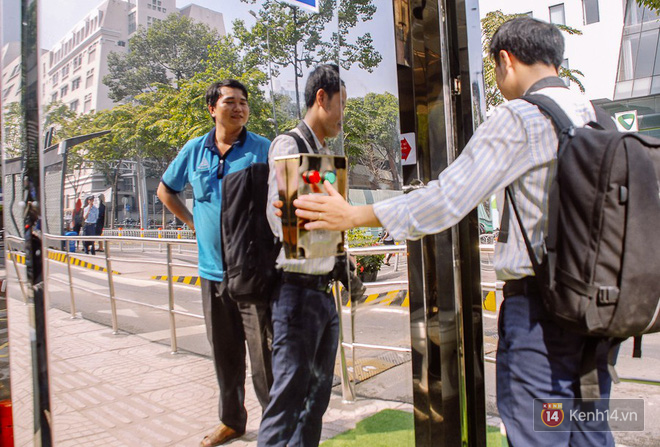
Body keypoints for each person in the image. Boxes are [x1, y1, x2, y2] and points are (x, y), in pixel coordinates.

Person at [292, 18, 616, 447]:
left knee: (542, 433)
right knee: (590, 429)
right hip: (601, 312)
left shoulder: (518, 118)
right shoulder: (601, 117)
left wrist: (354, 215)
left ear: (505, 61)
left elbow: (446, 199)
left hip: (543, 314)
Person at [157, 79, 273, 447]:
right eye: (230, 102)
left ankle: (276, 428)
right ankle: (232, 422)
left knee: (264, 358)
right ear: (212, 108)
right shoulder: (194, 150)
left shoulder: (263, 149)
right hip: (211, 272)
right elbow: (166, 190)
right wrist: (193, 222)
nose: (238, 108)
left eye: (243, 102)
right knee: (225, 354)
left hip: (253, 273)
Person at [257, 64, 345, 447]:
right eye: (342, 103)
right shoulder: (289, 145)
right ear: (321, 98)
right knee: (288, 401)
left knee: (315, 402)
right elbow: (280, 223)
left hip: (323, 294)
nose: (344, 114)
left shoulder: (323, 154)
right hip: (295, 293)